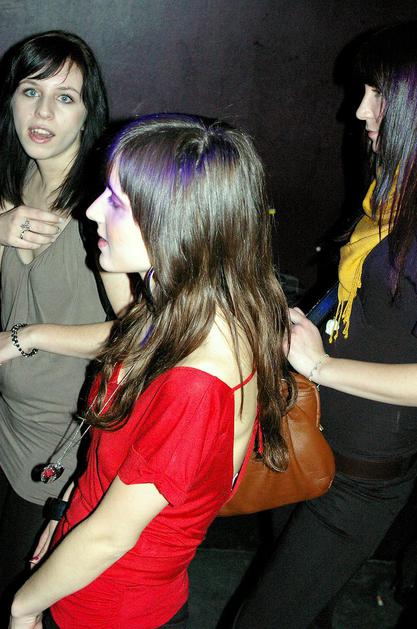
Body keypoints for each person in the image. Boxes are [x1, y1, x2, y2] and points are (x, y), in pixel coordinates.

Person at [9, 113, 294, 629]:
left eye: (116, 201)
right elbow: (126, 337)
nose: (92, 210)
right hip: (83, 575)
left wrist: (21, 607)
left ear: (177, 224)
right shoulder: (183, 308)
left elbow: (110, 536)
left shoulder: (198, 381)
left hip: (109, 608)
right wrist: (64, 516)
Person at [233, 21, 417, 629]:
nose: (359, 109)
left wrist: (321, 364)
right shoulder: (395, 188)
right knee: (300, 608)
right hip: (308, 433)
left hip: (361, 477)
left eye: (378, 94)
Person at [0, 30, 132, 618]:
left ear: (87, 112)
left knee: (26, 597)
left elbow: (142, 334)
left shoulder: (105, 205)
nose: (44, 112)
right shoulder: (14, 176)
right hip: (7, 423)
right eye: (31, 91)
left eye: (66, 97)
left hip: (66, 442)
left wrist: (25, 339)